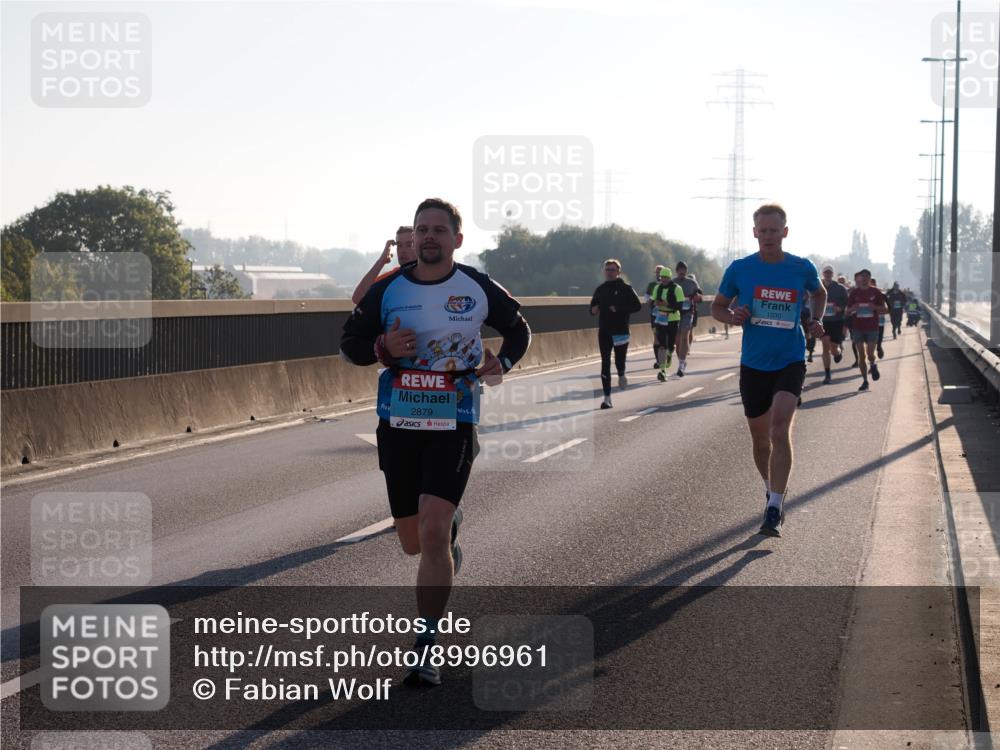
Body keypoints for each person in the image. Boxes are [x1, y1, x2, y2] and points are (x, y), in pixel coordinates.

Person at [340, 198, 530, 686]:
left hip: (454, 421)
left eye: (439, 230)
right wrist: (382, 348)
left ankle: (426, 645)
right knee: (411, 541)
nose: (428, 237)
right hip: (399, 423)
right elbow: (350, 344)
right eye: (422, 228)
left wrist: (500, 365)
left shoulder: (477, 286)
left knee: (431, 529)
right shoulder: (388, 289)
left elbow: (519, 329)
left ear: (456, 240)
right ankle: (446, 532)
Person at [710, 203, 825, 538]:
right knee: (760, 438)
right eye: (764, 230)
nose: (769, 236)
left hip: (790, 358)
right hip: (754, 363)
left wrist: (816, 319)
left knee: (779, 430)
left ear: (785, 233)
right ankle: (769, 487)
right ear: (755, 232)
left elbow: (819, 292)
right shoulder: (740, 269)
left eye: (775, 230)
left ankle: (774, 507)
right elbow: (717, 306)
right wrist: (733, 316)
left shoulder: (801, 267)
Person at [590, 259, 642, 408]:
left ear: (618, 272)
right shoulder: (600, 289)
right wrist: (593, 310)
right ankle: (607, 398)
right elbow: (592, 307)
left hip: (621, 330)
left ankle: (621, 373)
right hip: (605, 330)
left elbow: (637, 306)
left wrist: (618, 308)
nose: (609, 272)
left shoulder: (625, 288)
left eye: (612, 270)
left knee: (620, 361)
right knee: (605, 362)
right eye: (607, 270)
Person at [351, 226, 418, 305]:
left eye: (409, 245)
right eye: (399, 245)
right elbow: (357, 298)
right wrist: (382, 261)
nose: (403, 251)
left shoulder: (429, 276)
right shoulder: (390, 278)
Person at [845, 269, 888, 392]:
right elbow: (847, 311)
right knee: (861, 356)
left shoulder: (875, 292)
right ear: (859, 279)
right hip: (858, 327)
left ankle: (873, 365)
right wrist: (854, 308)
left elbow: (884, 310)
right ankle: (865, 381)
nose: (863, 279)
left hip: (872, 328)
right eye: (861, 277)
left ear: (869, 279)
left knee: (870, 353)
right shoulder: (854, 293)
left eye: (866, 277)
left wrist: (873, 307)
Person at [651, 267, 685, 382]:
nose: (663, 279)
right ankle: (662, 371)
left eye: (666, 277)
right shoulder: (657, 287)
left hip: (673, 318)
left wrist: (667, 304)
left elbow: (680, 306)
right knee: (661, 345)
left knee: (670, 344)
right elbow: (651, 302)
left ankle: (670, 353)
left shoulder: (677, 288)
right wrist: (655, 303)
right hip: (660, 318)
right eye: (662, 277)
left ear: (670, 277)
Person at [819, 265, 849, 385]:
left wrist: (840, 308)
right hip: (824, 321)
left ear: (832, 274)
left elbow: (847, 305)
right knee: (825, 346)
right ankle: (827, 374)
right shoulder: (818, 287)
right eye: (825, 272)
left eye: (829, 273)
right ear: (823, 274)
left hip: (837, 321)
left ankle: (837, 353)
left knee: (833, 349)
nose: (827, 274)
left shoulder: (840, 288)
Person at [673, 261, 703, 376]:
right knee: (677, 341)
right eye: (679, 270)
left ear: (686, 271)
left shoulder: (692, 283)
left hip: (688, 313)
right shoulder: (672, 283)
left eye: (683, 270)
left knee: (685, 337)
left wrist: (697, 298)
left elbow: (700, 298)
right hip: (674, 313)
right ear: (677, 271)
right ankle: (682, 360)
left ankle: (681, 364)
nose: (681, 272)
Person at [645, 265, 665, 367]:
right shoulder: (651, 285)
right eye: (656, 272)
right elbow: (647, 299)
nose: (658, 274)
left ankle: (665, 358)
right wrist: (652, 301)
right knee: (656, 337)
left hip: (667, 316)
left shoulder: (670, 285)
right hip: (655, 315)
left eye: (660, 272)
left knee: (665, 339)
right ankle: (659, 361)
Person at [870, 277, 886, 360]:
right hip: (868, 320)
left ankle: (879, 347)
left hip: (879, 319)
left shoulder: (880, 294)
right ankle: (872, 362)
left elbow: (885, 308)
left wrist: (877, 308)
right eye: (870, 284)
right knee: (870, 343)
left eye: (873, 284)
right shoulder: (863, 293)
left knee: (879, 339)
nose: (871, 285)